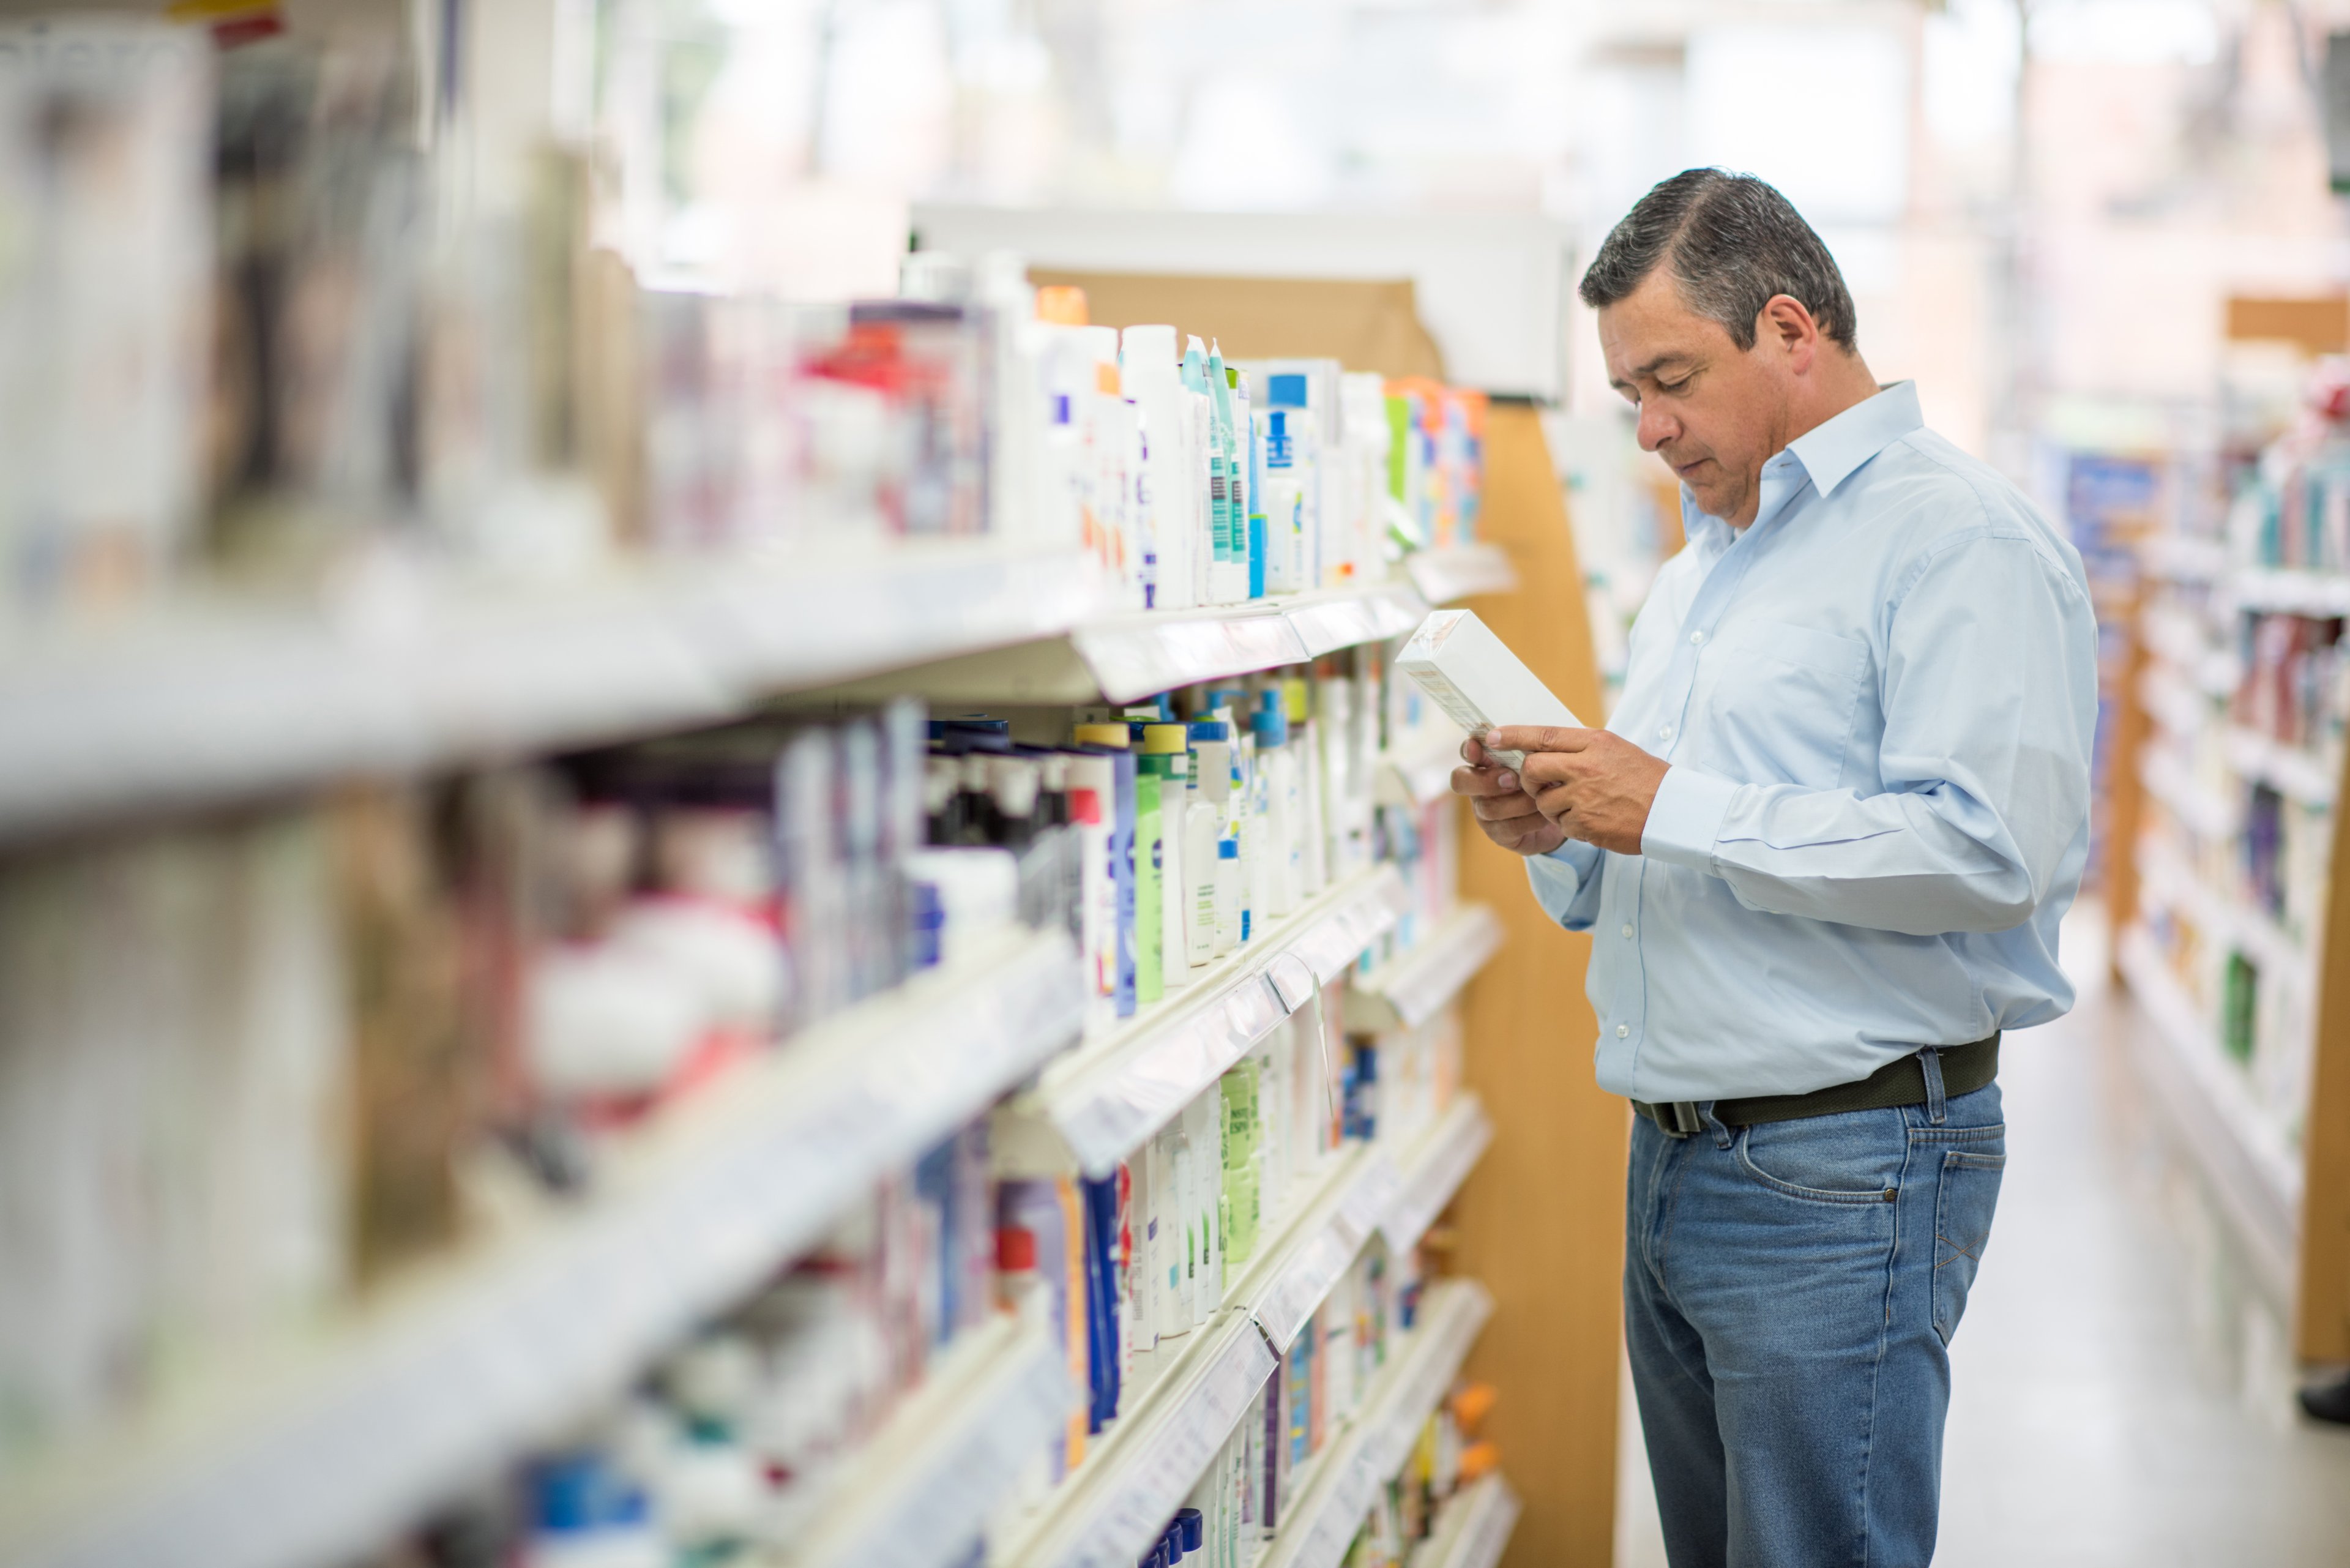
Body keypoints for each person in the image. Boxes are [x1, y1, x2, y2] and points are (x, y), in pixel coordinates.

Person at [1453, 168, 2096, 1568]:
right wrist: (1561, 833)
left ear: (1792, 330)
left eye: (1670, 378)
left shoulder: (1955, 542)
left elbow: (1993, 854)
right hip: (1678, 1159)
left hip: (1842, 1168)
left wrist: (1671, 806)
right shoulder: (1709, 569)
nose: (1649, 428)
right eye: (1629, 392)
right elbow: (1670, 840)